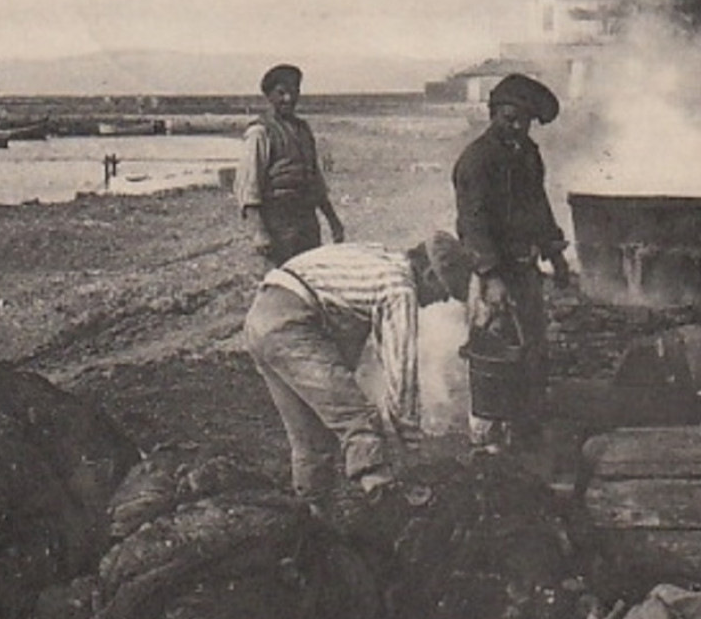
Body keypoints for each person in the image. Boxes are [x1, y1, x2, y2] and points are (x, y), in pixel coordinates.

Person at [243, 232, 474, 511]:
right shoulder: (400, 289)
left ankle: (315, 520)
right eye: (442, 292)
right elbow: (402, 376)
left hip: (262, 317)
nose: (437, 302)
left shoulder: (383, 256)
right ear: (428, 274)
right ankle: (388, 508)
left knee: (309, 436)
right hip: (293, 324)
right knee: (358, 420)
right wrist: (410, 450)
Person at [451, 72, 571, 452]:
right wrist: (491, 276)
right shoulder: (476, 160)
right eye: (509, 118)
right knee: (492, 354)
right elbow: (473, 223)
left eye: (525, 121)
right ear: (493, 114)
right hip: (494, 275)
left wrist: (555, 253)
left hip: (526, 270)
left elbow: (538, 206)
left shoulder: (528, 154)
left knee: (531, 349)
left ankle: (523, 430)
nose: (517, 127)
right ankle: (486, 443)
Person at [234, 63, 345, 267]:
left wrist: (333, 220)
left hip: (307, 219)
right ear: (269, 96)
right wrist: (259, 232)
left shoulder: (303, 130)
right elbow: (249, 186)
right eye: (281, 93)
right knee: (281, 282)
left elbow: (315, 180)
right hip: (278, 221)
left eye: (294, 92)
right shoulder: (260, 132)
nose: (289, 99)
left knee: (311, 278)